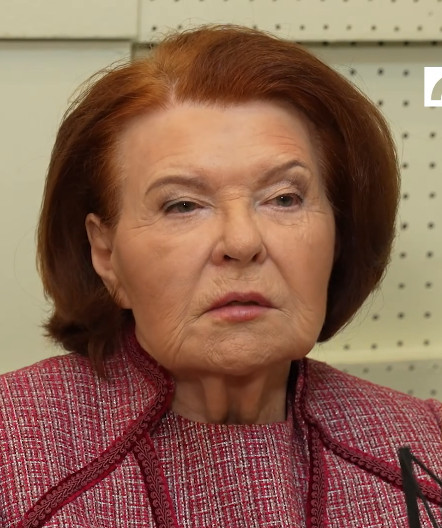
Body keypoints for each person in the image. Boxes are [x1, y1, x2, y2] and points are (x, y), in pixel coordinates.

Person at [0, 25, 441, 528]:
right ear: (106, 253)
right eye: (183, 205)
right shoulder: (14, 454)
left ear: (339, 235)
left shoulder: (428, 445)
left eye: (284, 198)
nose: (242, 242)